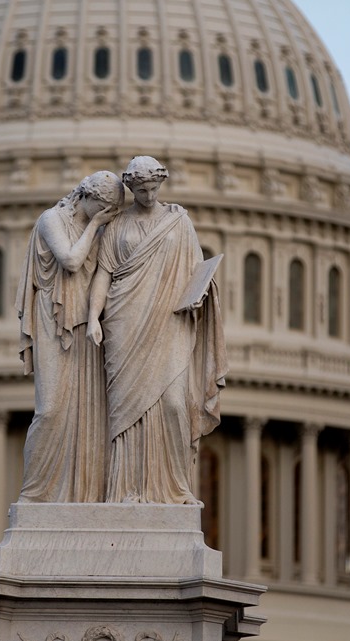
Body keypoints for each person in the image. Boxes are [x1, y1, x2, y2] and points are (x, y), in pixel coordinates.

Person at [87, 156, 227, 504]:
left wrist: (199, 296)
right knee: (125, 412)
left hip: (170, 322)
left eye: (153, 189)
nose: (148, 195)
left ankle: (175, 489)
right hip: (124, 322)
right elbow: (104, 272)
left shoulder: (178, 222)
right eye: (141, 190)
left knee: (174, 405)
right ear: (131, 188)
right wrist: (92, 318)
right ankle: (126, 490)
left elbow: (198, 271)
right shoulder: (117, 225)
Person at [16, 171, 124, 503]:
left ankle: (83, 494)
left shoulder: (103, 229)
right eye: (106, 209)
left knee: (87, 415)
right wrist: (96, 225)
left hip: (87, 327)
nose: (109, 217)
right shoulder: (52, 219)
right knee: (49, 410)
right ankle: (35, 495)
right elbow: (72, 261)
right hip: (53, 321)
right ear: (88, 198)